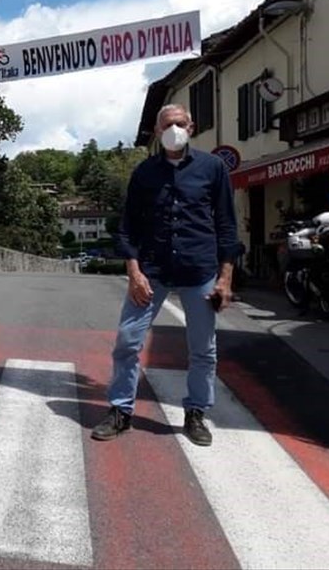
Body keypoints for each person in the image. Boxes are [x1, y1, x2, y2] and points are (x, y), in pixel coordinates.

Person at [91, 104, 239, 447]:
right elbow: (128, 228)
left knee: (203, 350)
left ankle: (196, 412)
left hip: (199, 269)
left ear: (192, 127)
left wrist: (225, 278)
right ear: (157, 132)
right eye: (168, 125)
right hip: (152, 271)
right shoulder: (145, 173)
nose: (175, 129)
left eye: (180, 123)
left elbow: (226, 226)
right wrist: (134, 272)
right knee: (127, 342)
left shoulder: (213, 168)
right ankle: (121, 411)